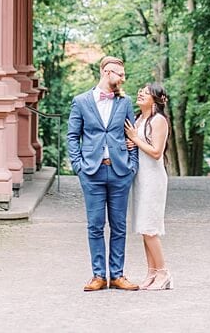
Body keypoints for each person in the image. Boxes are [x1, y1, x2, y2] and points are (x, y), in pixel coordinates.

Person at [67, 55, 140, 291]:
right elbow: (72, 137)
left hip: (120, 171)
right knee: (95, 225)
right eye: (120, 74)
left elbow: (133, 136)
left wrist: (132, 165)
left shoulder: (126, 102)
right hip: (92, 172)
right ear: (107, 72)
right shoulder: (81, 101)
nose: (123, 79)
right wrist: (78, 166)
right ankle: (98, 275)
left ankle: (117, 275)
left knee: (119, 226)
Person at [124, 82, 173, 290]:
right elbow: (139, 146)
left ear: (156, 99)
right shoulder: (138, 118)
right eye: (140, 91)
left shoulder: (159, 120)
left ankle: (163, 273)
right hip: (140, 178)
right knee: (143, 228)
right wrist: (132, 143)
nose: (140, 94)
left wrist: (135, 139)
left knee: (150, 228)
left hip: (153, 179)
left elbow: (156, 152)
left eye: (145, 92)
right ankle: (151, 272)